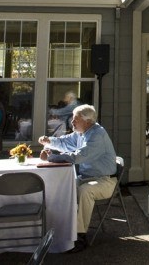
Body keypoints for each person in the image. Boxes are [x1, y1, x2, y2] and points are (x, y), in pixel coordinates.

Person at [38, 104, 117, 254]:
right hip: (87, 177)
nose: (72, 123)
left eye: (75, 120)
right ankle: (60, 231)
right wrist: (49, 141)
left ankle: (80, 237)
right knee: (64, 188)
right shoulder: (81, 132)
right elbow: (66, 142)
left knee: (84, 191)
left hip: (105, 180)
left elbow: (79, 155)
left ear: (87, 121)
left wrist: (51, 158)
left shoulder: (97, 134)